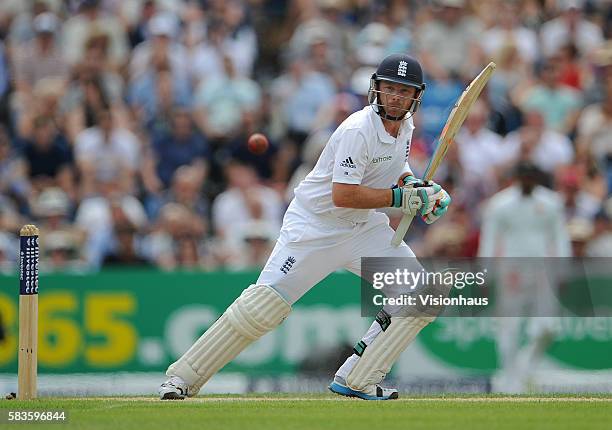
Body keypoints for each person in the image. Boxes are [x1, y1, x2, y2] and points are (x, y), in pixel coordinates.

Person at [158, 54, 451, 401]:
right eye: (390, 89)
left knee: (422, 293)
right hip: (316, 228)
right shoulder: (358, 130)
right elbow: (343, 194)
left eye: (404, 91)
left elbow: (393, 165)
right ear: (377, 89)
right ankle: (181, 379)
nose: (396, 98)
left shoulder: (405, 127)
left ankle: (358, 378)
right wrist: (401, 199)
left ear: (416, 96)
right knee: (262, 307)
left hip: (363, 230)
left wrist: (418, 188)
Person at [478, 161, 571, 393]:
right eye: (524, 178)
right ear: (517, 178)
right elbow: (489, 240)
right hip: (511, 272)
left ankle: (523, 367)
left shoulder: (550, 202)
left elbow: (560, 237)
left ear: (536, 179)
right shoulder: (500, 204)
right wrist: (485, 274)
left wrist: (563, 270)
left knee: (548, 327)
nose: (528, 182)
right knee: (508, 327)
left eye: (531, 178)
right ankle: (511, 382)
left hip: (542, 271)